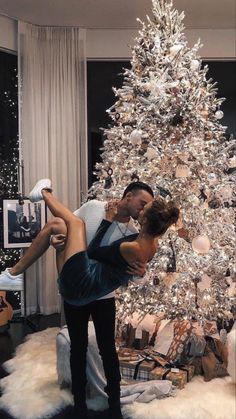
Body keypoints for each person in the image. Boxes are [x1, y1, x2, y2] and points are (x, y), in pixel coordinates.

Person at [0, 180, 155, 419]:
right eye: (142, 203)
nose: (143, 210)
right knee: (78, 347)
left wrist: (141, 275)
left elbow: (130, 275)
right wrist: (55, 241)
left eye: (148, 207)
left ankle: (114, 405)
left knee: (108, 351)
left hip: (104, 296)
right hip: (76, 287)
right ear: (128, 196)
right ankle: (79, 404)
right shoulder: (93, 207)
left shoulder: (134, 234)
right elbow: (69, 232)